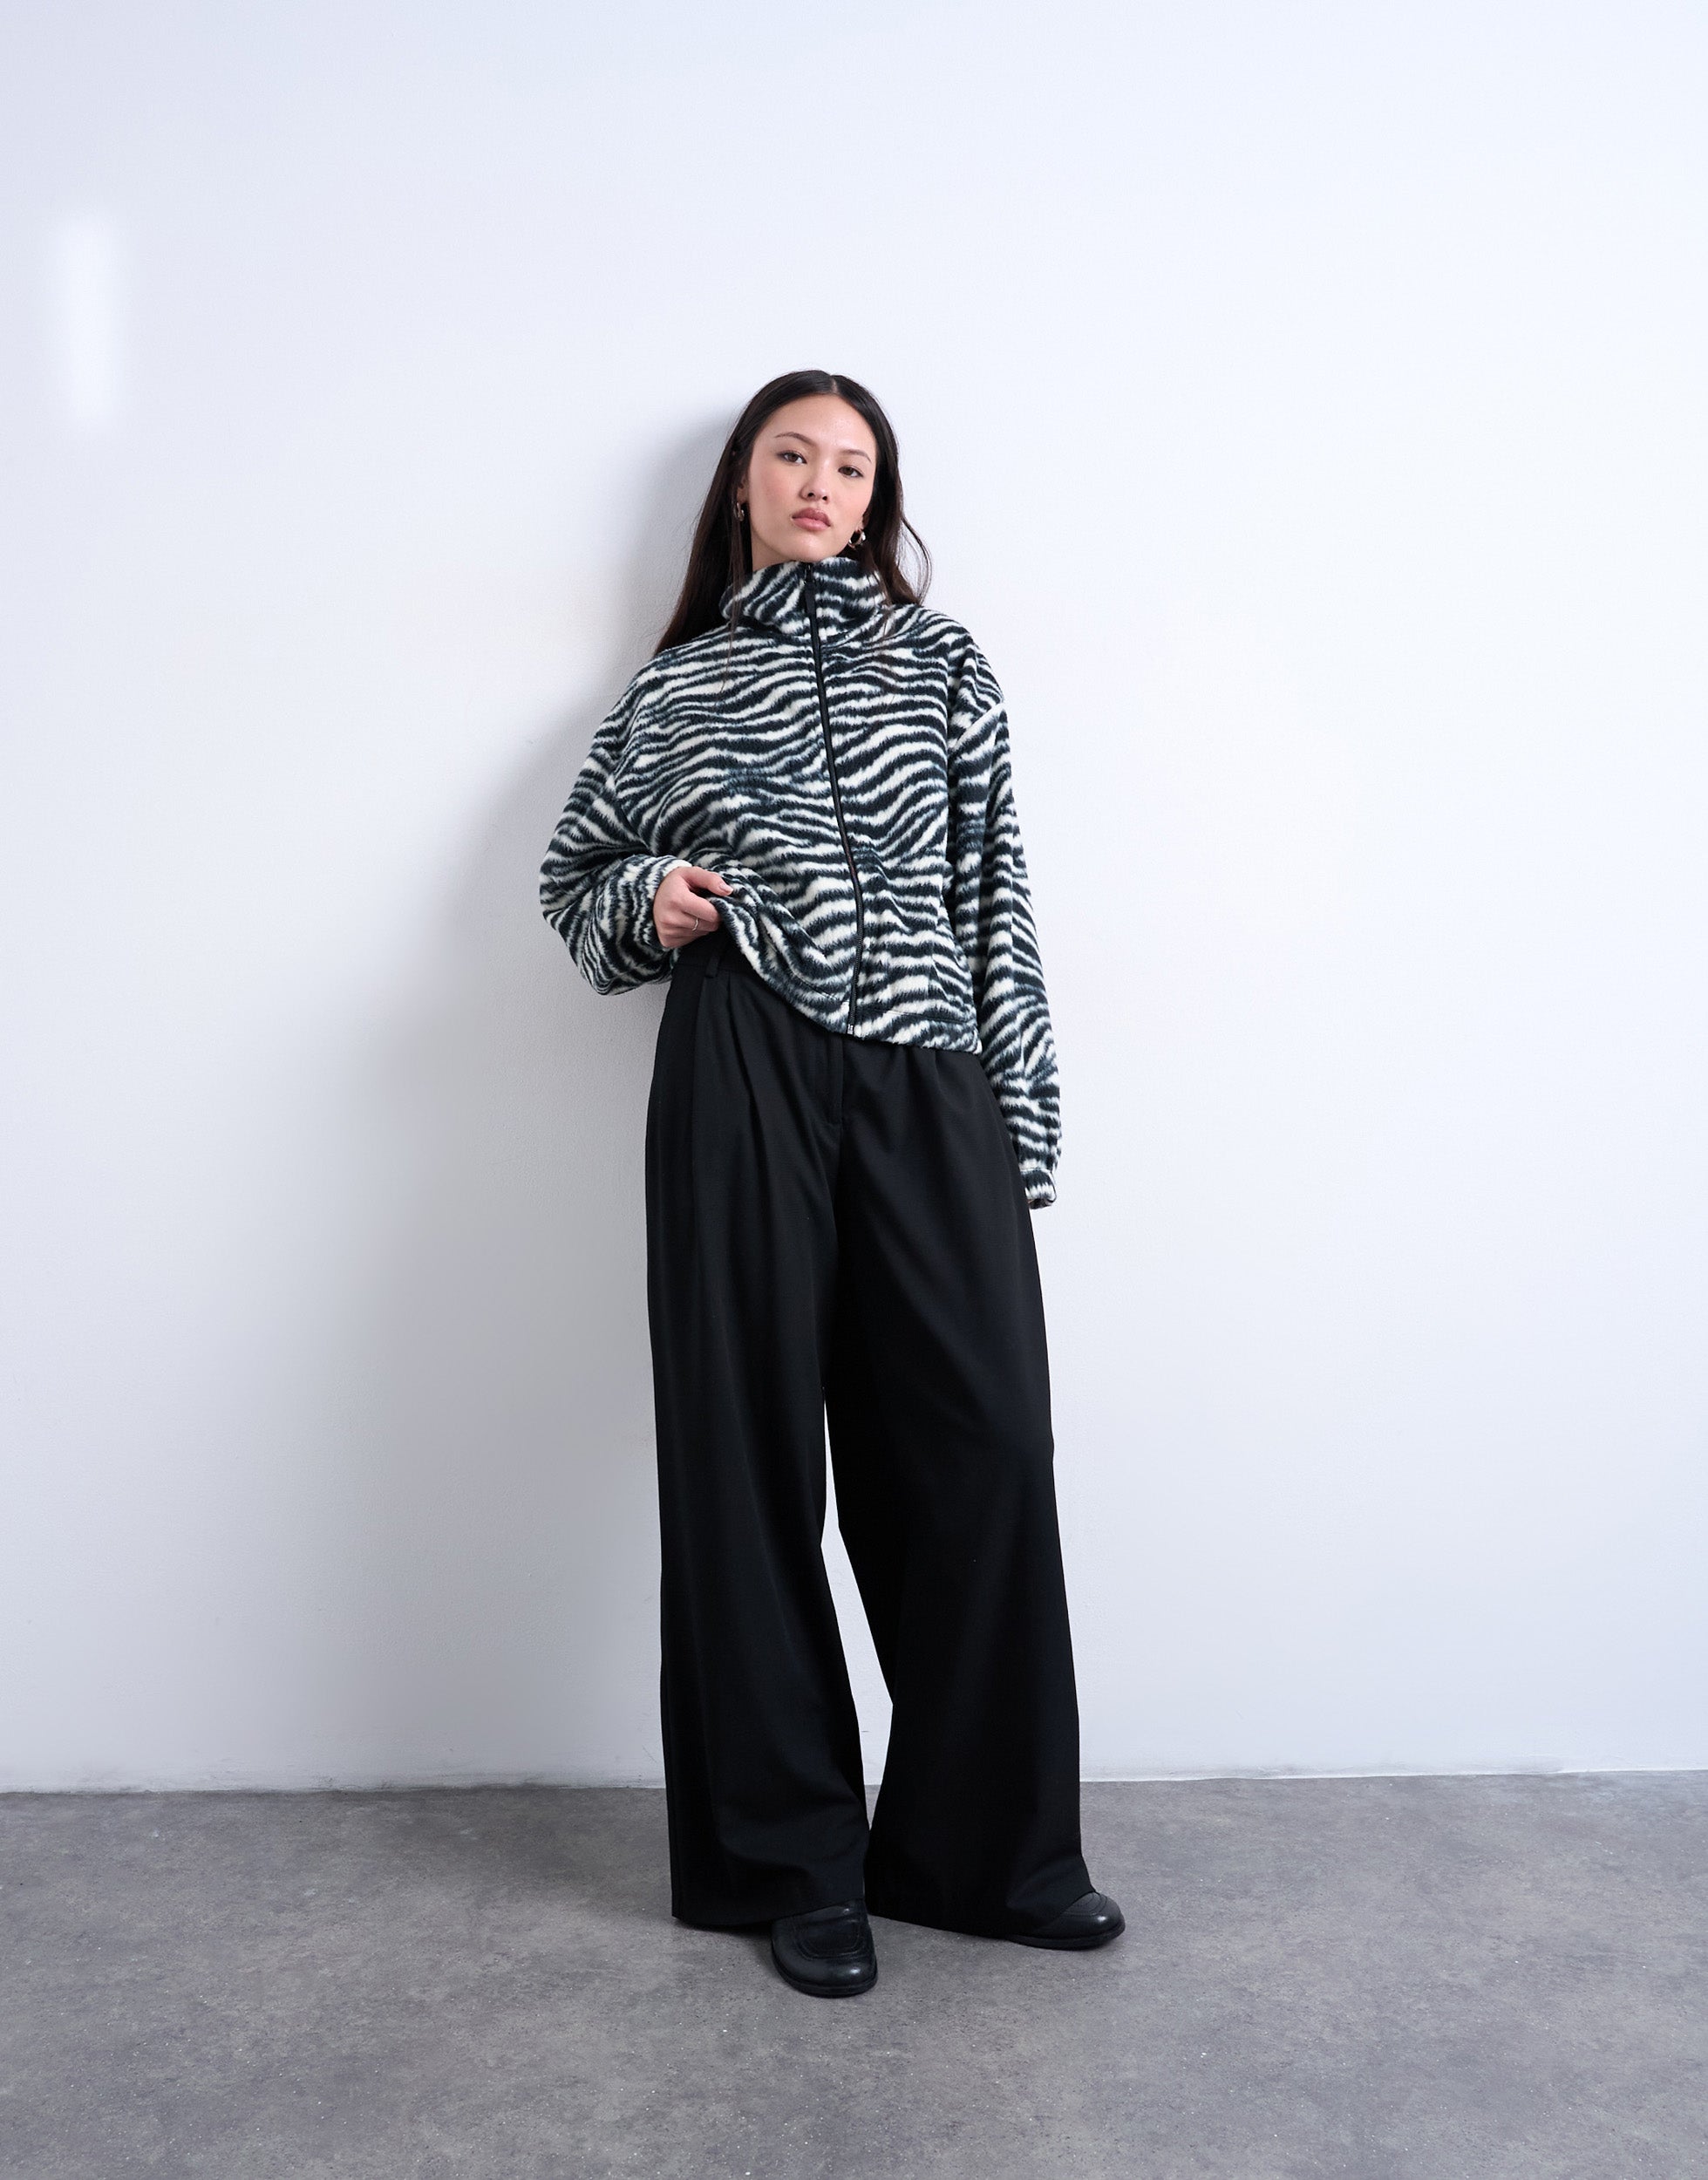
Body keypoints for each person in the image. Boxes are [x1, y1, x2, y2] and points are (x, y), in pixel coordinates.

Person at [539, 369, 1123, 1997]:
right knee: (745, 1461)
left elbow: (996, 892)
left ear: (877, 501)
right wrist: (650, 898)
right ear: (744, 482)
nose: (821, 482)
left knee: (984, 1445)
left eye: (852, 465)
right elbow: (574, 881)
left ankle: (985, 1854)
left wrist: (1020, 1121)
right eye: (793, 454)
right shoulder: (675, 689)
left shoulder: (946, 667)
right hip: (742, 1058)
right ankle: (789, 1866)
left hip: (930, 1072)